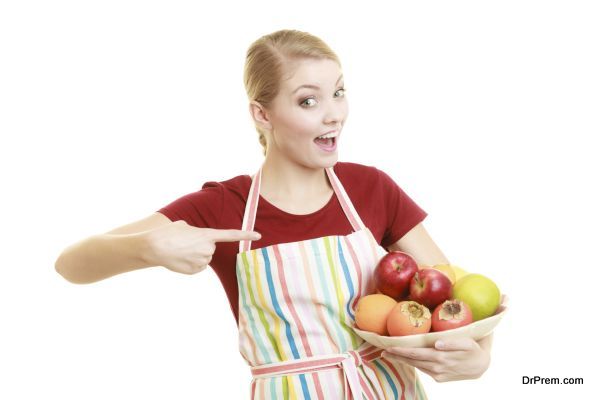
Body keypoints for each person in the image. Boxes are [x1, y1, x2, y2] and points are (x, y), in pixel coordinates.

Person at [55, 29, 492, 399]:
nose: (334, 114)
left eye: (338, 93)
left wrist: (481, 354)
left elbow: (453, 292)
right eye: (308, 101)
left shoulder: (370, 188)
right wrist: (147, 247)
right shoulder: (223, 207)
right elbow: (71, 264)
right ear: (262, 114)